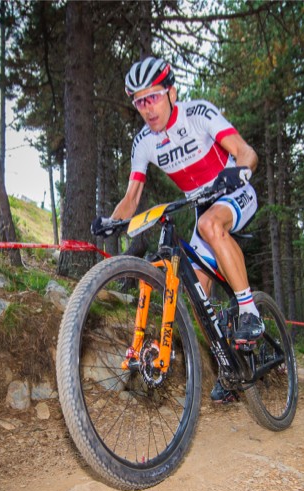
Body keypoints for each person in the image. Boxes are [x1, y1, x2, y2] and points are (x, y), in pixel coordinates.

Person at [93, 57, 263, 404]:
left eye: (153, 97)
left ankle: (250, 311)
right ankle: (228, 368)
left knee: (209, 224)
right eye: (139, 102)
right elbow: (132, 197)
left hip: (235, 191)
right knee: (198, 295)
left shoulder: (198, 114)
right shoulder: (144, 142)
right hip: (202, 205)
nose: (147, 108)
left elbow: (246, 151)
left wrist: (240, 170)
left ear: (171, 92)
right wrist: (112, 221)